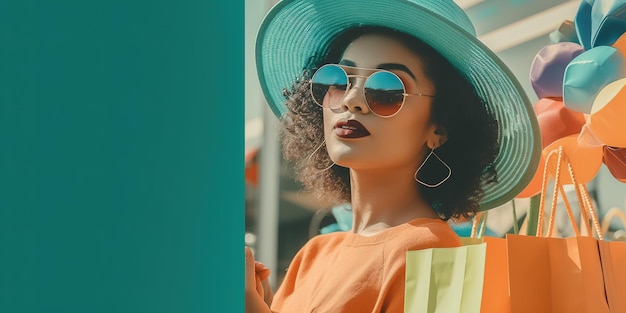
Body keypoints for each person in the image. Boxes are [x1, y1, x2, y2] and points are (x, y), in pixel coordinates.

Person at [246, 0, 541, 312]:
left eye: (387, 90)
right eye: (336, 81)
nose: (352, 99)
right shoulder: (313, 254)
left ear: (440, 127)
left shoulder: (433, 252)